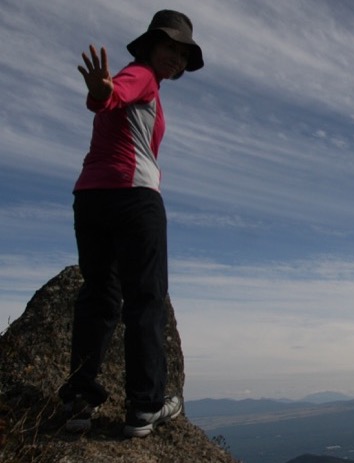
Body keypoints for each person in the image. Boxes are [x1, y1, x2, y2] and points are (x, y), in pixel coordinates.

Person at [58, 10, 204, 438]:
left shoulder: (140, 79)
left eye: (182, 53)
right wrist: (102, 90)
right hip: (134, 197)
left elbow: (110, 98)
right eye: (170, 48)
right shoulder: (141, 77)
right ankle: (144, 406)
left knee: (98, 294)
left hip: (89, 198)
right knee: (145, 298)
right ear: (150, 46)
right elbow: (112, 94)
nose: (176, 59)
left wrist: (104, 92)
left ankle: (79, 399)